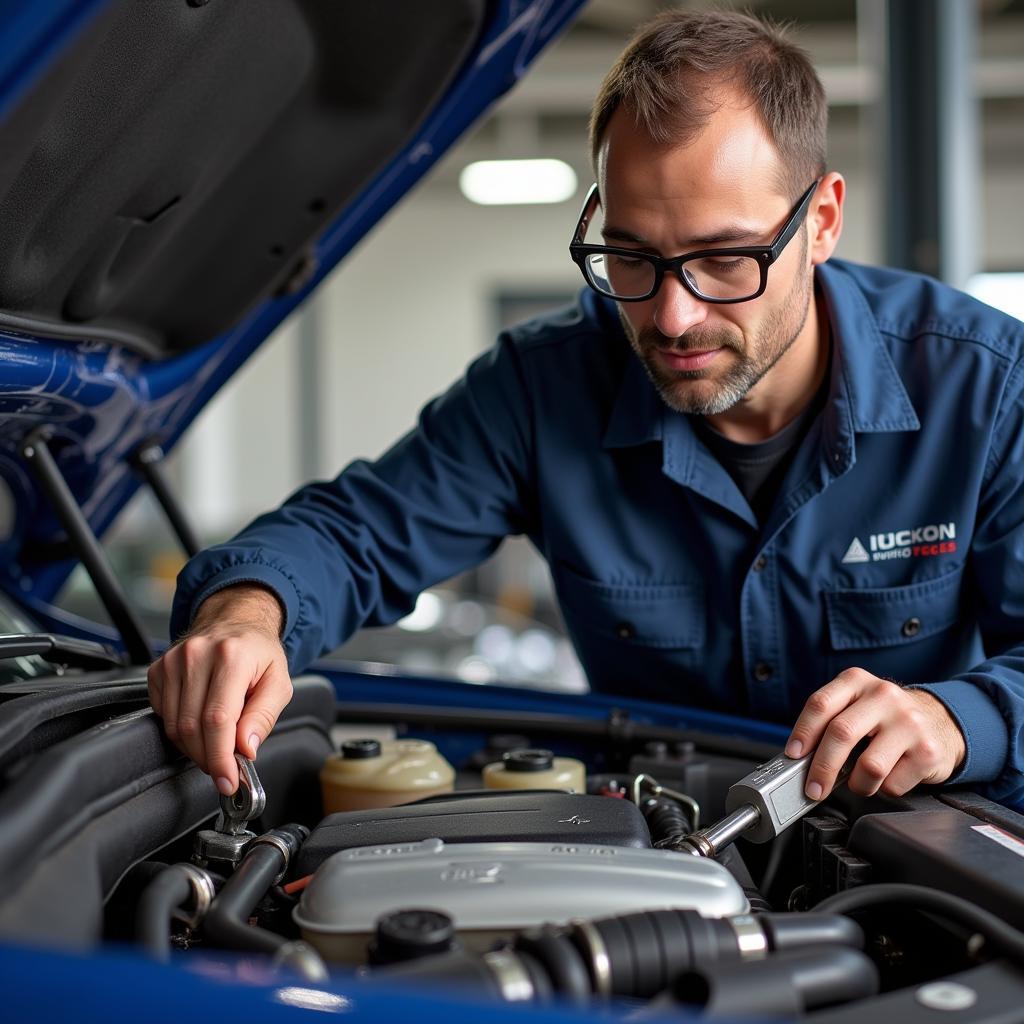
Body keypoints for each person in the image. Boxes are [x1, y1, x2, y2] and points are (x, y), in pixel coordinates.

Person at [148, 10, 1024, 808]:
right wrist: (248, 613)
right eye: (631, 256)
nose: (672, 317)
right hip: (646, 860)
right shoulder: (543, 389)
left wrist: (956, 719)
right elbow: (353, 535)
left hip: (908, 869)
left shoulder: (983, 391)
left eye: (724, 260)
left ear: (822, 221)